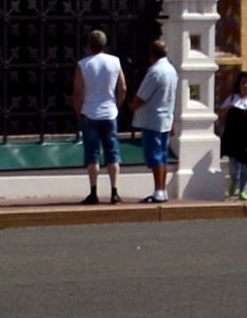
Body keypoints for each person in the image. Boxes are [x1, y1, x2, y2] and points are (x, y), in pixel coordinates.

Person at [74, 30, 129, 204]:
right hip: (110, 112)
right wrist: (117, 105)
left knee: (92, 154)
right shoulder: (115, 62)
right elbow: (123, 87)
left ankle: (93, 191)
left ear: (89, 45)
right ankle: (114, 191)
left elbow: (77, 91)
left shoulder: (83, 65)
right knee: (113, 153)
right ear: (105, 45)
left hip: (90, 112)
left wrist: (79, 110)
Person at [131, 43, 180, 204]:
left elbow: (142, 96)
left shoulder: (155, 72)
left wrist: (131, 107)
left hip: (153, 119)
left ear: (152, 55)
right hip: (165, 117)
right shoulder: (172, 70)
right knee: (163, 155)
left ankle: (158, 190)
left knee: (155, 156)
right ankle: (162, 190)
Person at [217, 57, 247, 201]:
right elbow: (220, 114)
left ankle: (243, 189)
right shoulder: (232, 98)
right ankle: (234, 182)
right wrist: (229, 109)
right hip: (234, 138)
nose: (246, 85)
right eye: (243, 82)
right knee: (235, 168)